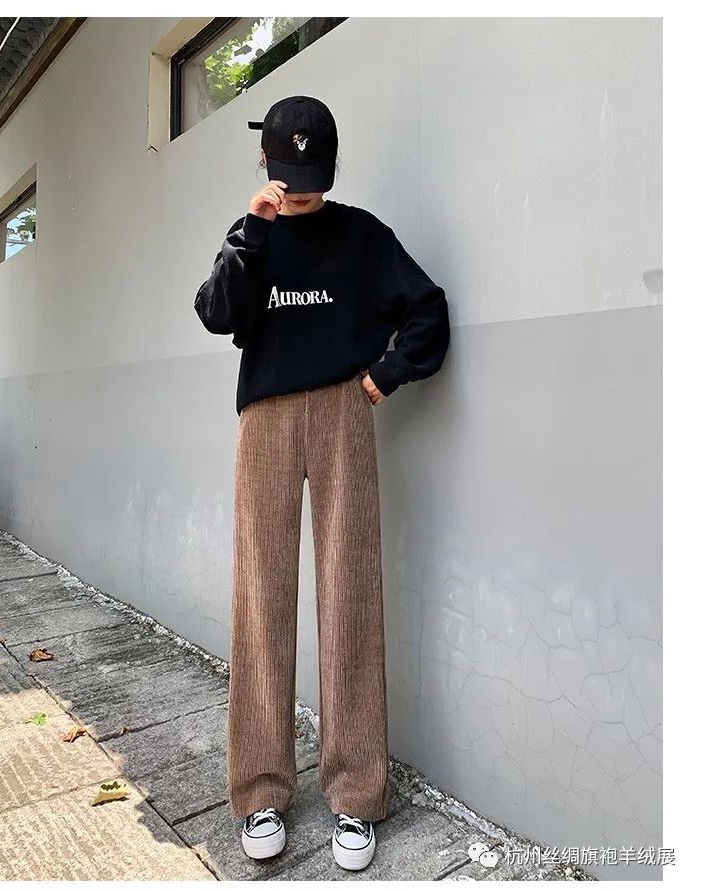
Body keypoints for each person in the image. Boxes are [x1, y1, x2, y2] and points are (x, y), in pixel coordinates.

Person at [194, 95, 450, 871]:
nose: (301, 190)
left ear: (331, 166)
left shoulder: (362, 236)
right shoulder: (254, 235)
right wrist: (254, 232)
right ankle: (261, 789)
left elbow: (428, 312)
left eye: (313, 177)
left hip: (343, 410)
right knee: (261, 597)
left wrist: (382, 376)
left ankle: (357, 795)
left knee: (350, 593)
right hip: (265, 418)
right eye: (288, 174)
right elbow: (216, 313)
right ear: (264, 162)